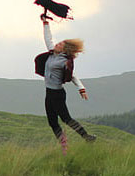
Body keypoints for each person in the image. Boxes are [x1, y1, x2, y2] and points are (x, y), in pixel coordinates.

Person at [36, 15, 96, 148]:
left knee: (66, 119)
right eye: (59, 43)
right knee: (52, 121)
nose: (57, 44)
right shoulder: (52, 53)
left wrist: (82, 89)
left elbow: (73, 76)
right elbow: (48, 39)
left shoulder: (65, 62)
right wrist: (45, 23)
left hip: (57, 94)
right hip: (49, 92)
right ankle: (63, 143)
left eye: (61, 44)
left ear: (65, 49)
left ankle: (87, 137)